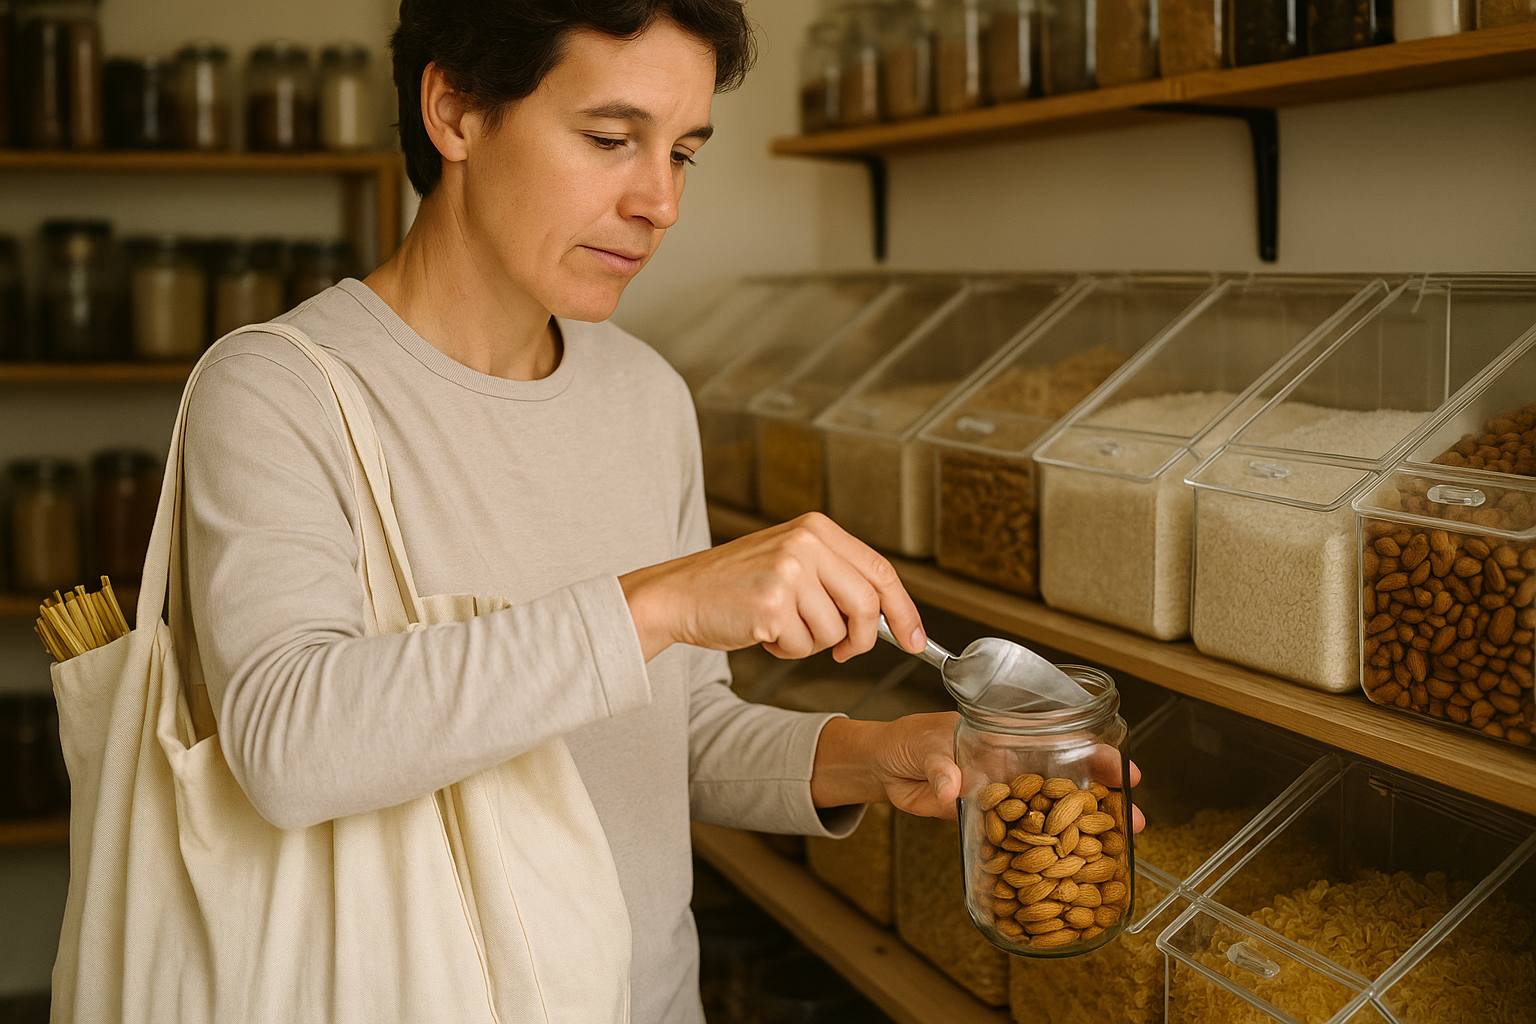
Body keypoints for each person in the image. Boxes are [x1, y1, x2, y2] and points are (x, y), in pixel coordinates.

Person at [181, 1, 1138, 1020]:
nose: (660, 202)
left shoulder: (644, 395)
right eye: (610, 139)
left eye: (682, 153)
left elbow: (673, 736)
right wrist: (660, 600)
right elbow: (287, 747)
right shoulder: (279, 389)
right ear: (454, 111)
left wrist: (878, 755)